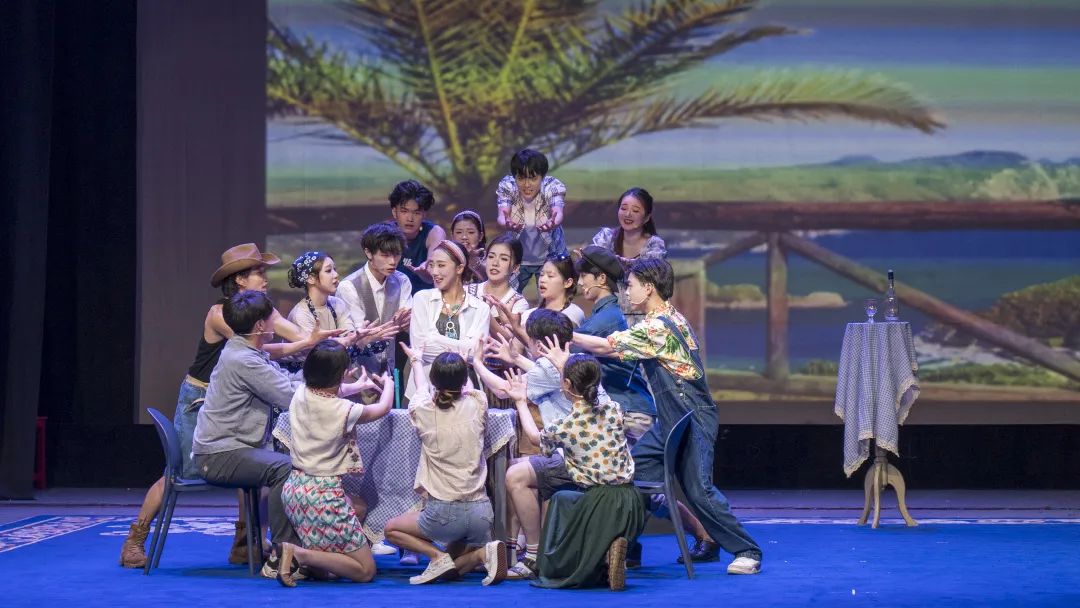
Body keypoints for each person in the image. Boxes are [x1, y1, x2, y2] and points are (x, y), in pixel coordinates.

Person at [118, 244, 336, 569]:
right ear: (239, 280)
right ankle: (135, 539)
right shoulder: (221, 313)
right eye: (258, 272)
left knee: (249, 460)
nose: (265, 278)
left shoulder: (261, 309)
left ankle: (244, 544)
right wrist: (306, 344)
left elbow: (298, 334)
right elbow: (257, 346)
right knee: (178, 472)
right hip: (201, 399)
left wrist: (334, 341)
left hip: (238, 400)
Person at [571, 258, 763, 575]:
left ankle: (747, 550)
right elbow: (615, 348)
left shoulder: (659, 327)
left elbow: (606, 346)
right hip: (671, 419)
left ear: (648, 288)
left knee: (698, 489)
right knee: (631, 474)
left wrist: (568, 333)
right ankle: (624, 550)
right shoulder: (661, 320)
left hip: (691, 415)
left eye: (631, 285)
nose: (626, 292)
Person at [472, 309, 618, 579]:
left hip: (578, 458)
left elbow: (506, 390)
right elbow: (546, 374)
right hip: (601, 457)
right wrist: (517, 359)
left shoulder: (553, 371)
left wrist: (477, 363)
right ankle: (518, 544)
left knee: (515, 475)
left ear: (539, 343)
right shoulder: (578, 364)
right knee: (520, 463)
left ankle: (533, 554)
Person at [191, 290, 314, 580]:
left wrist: (322, 380)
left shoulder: (246, 352)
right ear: (260, 325)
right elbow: (288, 395)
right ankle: (283, 553)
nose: (275, 322)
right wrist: (331, 388)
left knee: (292, 460)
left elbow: (283, 380)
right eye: (272, 317)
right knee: (285, 468)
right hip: (219, 454)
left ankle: (299, 545)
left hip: (232, 448)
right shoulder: (243, 359)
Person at [503, 353, 643, 591]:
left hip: (601, 504)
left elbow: (535, 438)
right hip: (630, 503)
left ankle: (566, 559)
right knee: (562, 498)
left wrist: (519, 401)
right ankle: (607, 555)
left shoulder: (567, 426)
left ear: (566, 384)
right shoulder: (613, 408)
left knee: (560, 520)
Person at [383, 345, 507, 586]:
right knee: (449, 570)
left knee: (391, 529)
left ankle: (435, 555)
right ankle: (482, 554)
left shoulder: (422, 410)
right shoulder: (478, 402)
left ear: (434, 380)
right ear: (464, 379)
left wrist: (416, 361)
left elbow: (420, 389)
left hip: (445, 514)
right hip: (481, 513)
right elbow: (468, 390)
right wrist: (466, 362)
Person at [277, 340, 395, 587]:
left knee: (358, 507)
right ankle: (299, 554)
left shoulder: (301, 393)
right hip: (323, 497)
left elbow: (327, 393)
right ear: (341, 374)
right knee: (365, 571)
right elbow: (382, 408)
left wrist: (357, 386)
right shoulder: (344, 410)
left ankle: (315, 562)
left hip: (295, 490)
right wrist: (389, 385)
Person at [406, 240, 490, 402]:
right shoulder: (422, 299)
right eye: (431, 265)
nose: (434, 272)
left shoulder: (480, 308)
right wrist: (463, 350)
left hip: (464, 393)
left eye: (441, 265)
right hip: (424, 392)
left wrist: (435, 338)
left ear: (459, 268)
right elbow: (420, 347)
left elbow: (476, 353)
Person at [284, 250, 397, 371]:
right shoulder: (301, 314)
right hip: (307, 375)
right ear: (311, 278)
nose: (336, 275)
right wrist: (359, 341)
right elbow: (322, 357)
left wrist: (363, 338)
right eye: (328, 271)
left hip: (335, 371)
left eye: (335, 269)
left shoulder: (337, 303)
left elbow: (349, 338)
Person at [336, 222, 414, 376]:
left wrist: (403, 322)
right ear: (368, 253)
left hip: (389, 367)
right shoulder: (349, 287)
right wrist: (395, 324)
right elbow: (357, 335)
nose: (392, 261)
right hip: (355, 369)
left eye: (397, 254)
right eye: (385, 255)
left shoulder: (402, 280)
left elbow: (407, 322)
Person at [590, 187, 667, 326]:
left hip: (643, 318)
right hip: (608, 315)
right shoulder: (605, 238)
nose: (628, 214)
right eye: (623, 208)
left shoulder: (655, 246)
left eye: (635, 211)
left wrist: (605, 260)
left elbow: (644, 277)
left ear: (647, 217)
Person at [468, 233, 529, 408]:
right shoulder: (468, 292)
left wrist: (486, 316)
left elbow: (514, 349)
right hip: (466, 373)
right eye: (491, 256)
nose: (495, 263)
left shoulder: (518, 303)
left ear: (515, 267)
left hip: (499, 380)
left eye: (503, 259)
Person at [495, 149, 568, 293]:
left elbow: (557, 211)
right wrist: (506, 222)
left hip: (550, 255)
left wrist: (553, 222)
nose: (527, 185)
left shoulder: (552, 186)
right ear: (515, 177)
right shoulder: (508, 186)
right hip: (519, 258)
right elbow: (502, 215)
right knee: (508, 296)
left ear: (542, 177)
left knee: (552, 298)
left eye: (533, 178)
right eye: (521, 178)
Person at [389, 179, 445, 294]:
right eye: (404, 211)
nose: (410, 218)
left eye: (416, 213)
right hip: (392, 300)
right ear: (394, 212)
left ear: (424, 214)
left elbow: (434, 275)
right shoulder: (384, 234)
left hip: (426, 299)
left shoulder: (434, 233)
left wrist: (425, 272)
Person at [450, 209, 487, 283]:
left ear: (480, 236)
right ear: (452, 236)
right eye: (459, 232)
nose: (464, 237)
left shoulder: (490, 258)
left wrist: (473, 262)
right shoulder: (446, 258)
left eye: (470, 232)